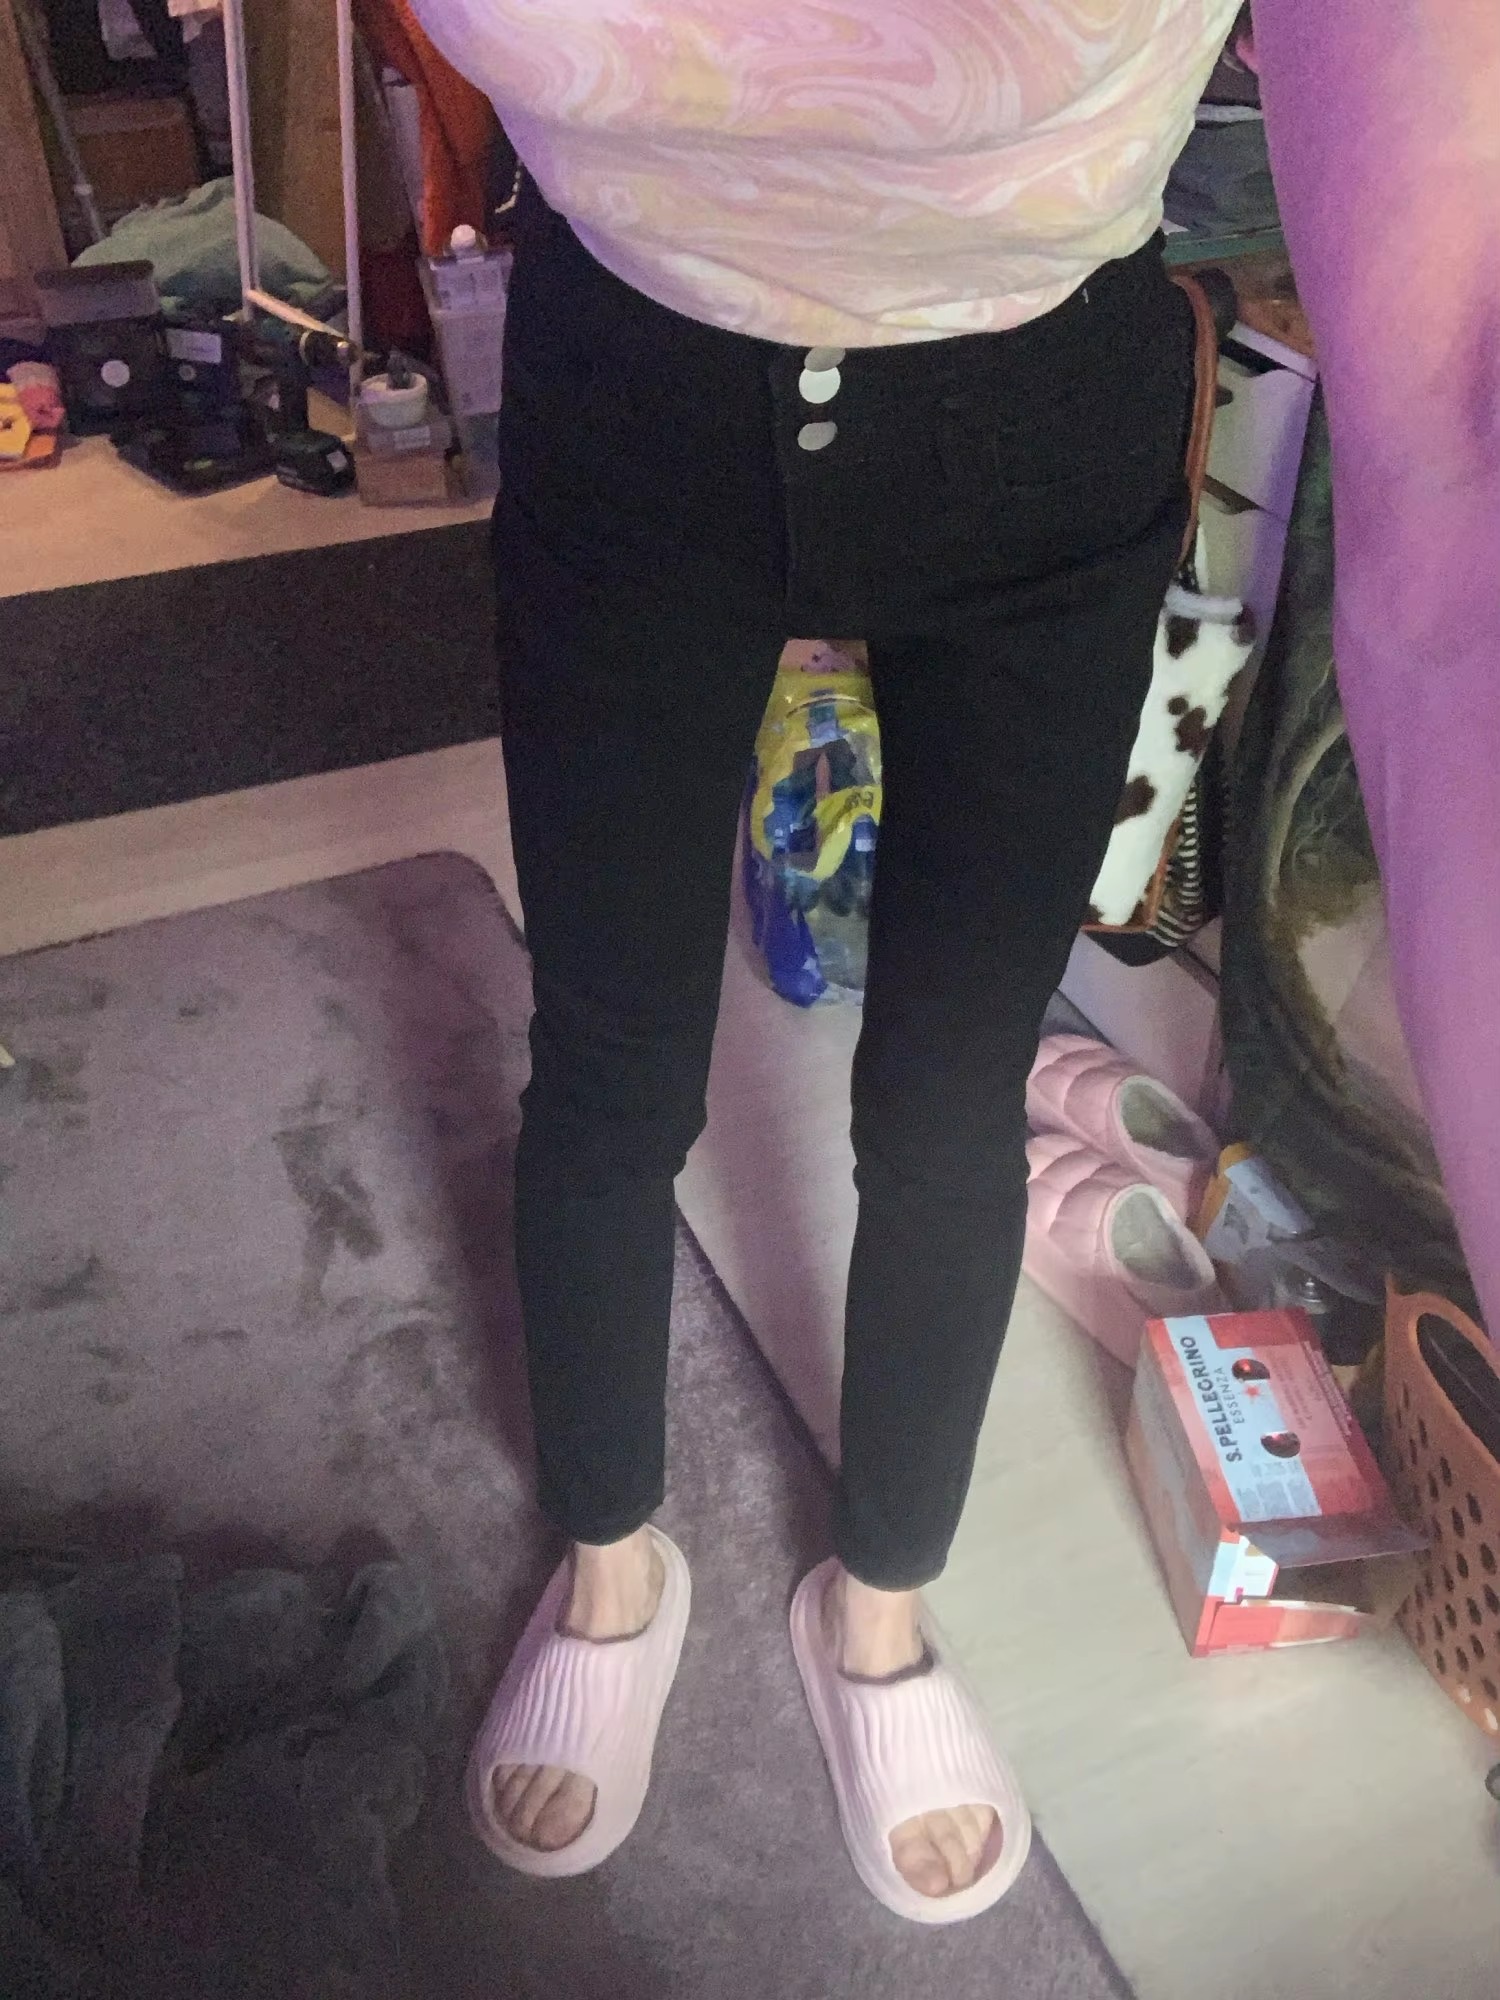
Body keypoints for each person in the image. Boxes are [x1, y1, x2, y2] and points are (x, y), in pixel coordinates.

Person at [410, 0, 1240, 1923]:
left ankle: (880, 1604)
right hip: (637, 391)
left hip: (1040, 415)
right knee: (609, 1060)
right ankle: (610, 1561)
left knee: (948, 1092)